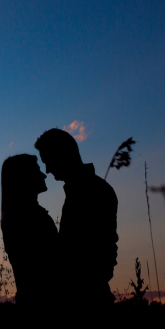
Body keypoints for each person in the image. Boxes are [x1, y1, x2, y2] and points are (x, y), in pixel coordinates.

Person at [34, 128, 118, 307]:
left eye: (48, 161)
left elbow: (102, 250)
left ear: (63, 154)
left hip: (88, 300)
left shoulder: (93, 191)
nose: (47, 170)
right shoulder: (81, 191)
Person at [0, 154, 59, 308]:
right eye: (36, 170)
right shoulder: (21, 220)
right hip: (41, 304)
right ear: (22, 178)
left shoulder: (29, 216)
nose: (43, 174)